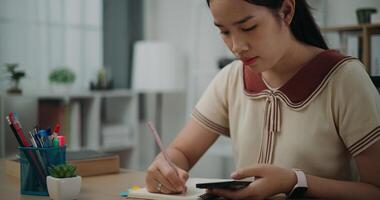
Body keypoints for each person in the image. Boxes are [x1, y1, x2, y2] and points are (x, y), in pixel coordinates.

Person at [145, 0, 380, 199]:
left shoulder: (343, 78)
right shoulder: (231, 78)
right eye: (225, 31)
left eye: (248, 27)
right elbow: (182, 152)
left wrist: (294, 181)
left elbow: (375, 190)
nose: (236, 47)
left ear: (286, 11)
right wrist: (165, 167)